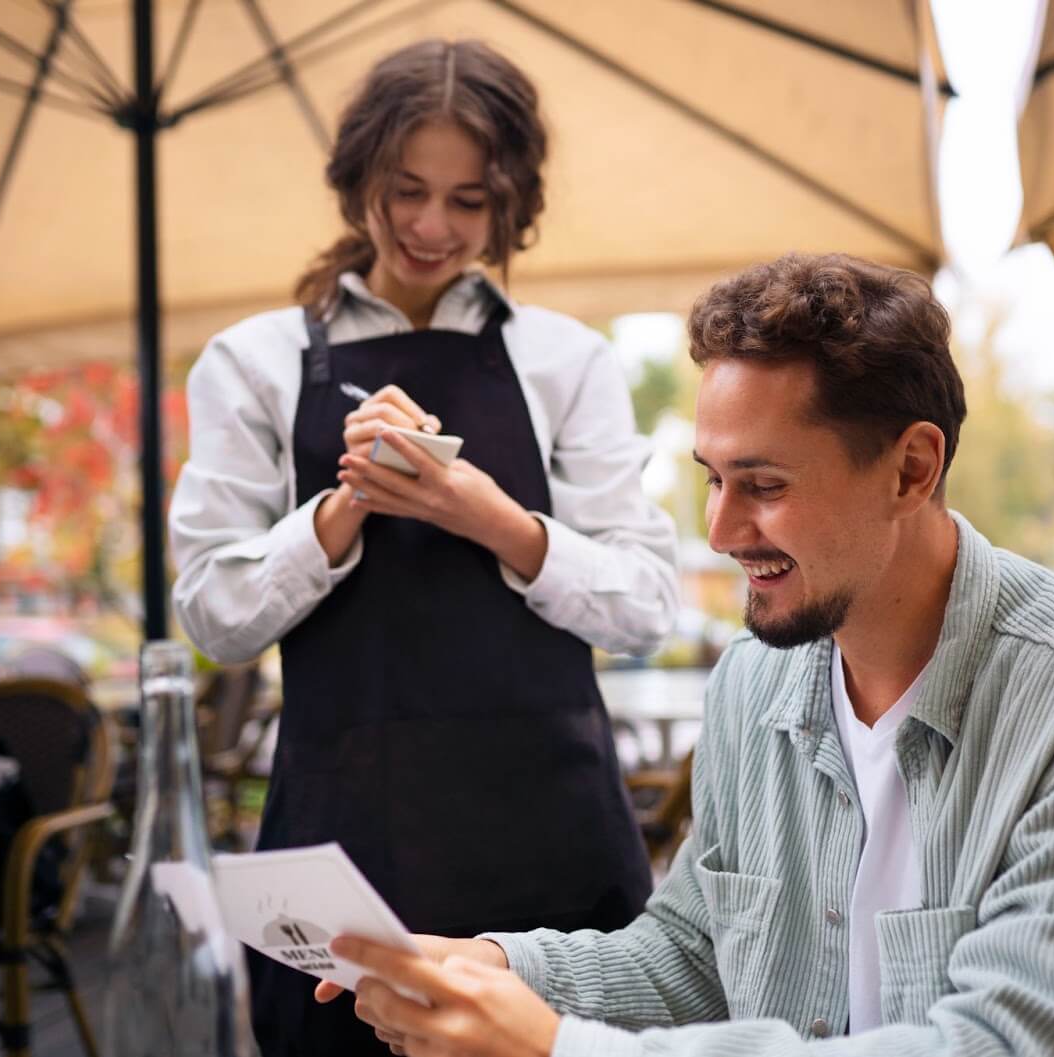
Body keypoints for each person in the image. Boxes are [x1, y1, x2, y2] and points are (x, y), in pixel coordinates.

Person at [318, 253, 1054, 1056]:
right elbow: (692, 953)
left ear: (912, 470)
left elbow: (1003, 1041)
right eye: (714, 480)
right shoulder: (756, 679)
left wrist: (559, 1047)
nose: (718, 530)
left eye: (764, 485)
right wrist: (497, 968)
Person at [167, 39, 677, 1057]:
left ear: (511, 206)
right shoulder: (254, 362)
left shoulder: (567, 360)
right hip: (345, 842)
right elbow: (212, 618)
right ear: (358, 178)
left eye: (468, 201)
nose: (431, 226)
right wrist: (338, 511)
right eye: (405, 190)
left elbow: (647, 606)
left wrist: (488, 515)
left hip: (551, 833)